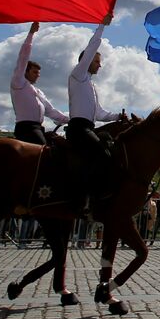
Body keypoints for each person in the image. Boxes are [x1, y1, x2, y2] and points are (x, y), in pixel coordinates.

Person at [67, 12, 121, 210]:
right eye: (97, 61)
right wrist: (102, 26)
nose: (100, 65)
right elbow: (91, 48)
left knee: (109, 147)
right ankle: (86, 194)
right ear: (87, 61)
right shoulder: (78, 74)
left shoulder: (91, 85)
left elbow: (100, 114)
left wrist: (119, 116)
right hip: (79, 128)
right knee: (102, 153)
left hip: (89, 126)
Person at [11, 22, 69, 144]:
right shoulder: (18, 82)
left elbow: (51, 111)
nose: (38, 75)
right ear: (25, 72)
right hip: (26, 129)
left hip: (38, 128)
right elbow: (23, 57)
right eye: (34, 72)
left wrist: (70, 119)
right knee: (43, 150)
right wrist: (31, 34)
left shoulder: (39, 92)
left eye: (38, 72)